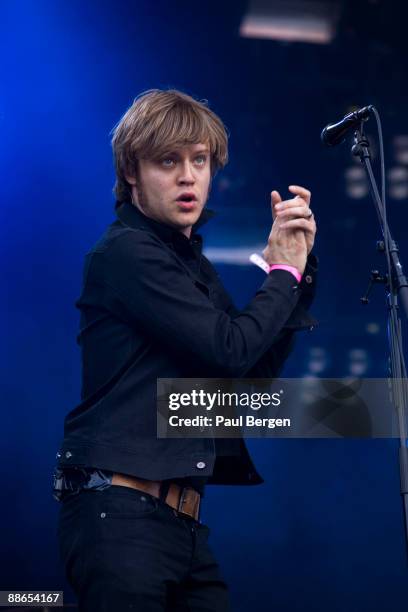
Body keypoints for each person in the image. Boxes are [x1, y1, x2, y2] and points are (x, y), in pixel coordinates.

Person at [53, 88, 318, 611]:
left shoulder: (190, 267)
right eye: (168, 161)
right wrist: (281, 274)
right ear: (132, 172)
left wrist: (297, 273)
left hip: (181, 524)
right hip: (119, 516)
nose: (188, 175)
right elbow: (229, 349)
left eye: (199, 160)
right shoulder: (127, 254)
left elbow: (244, 380)